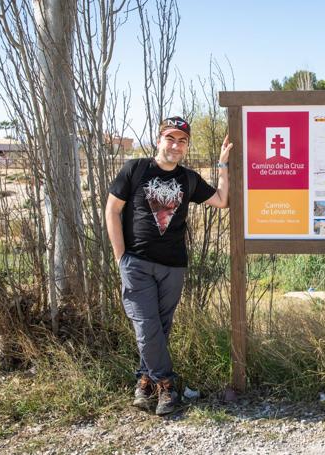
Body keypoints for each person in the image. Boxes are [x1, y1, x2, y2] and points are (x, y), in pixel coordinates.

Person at [105, 116, 231, 415]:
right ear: (159, 140)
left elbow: (222, 201)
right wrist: (120, 256)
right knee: (146, 327)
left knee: (158, 329)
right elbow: (112, 210)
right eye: (170, 139)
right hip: (136, 263)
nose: (175, 145)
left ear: (186, 146)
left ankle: (145, 382)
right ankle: (168, 386)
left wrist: (223, 165)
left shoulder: (188, 179)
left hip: (173, 266)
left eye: (182, 141)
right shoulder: (135, 169)